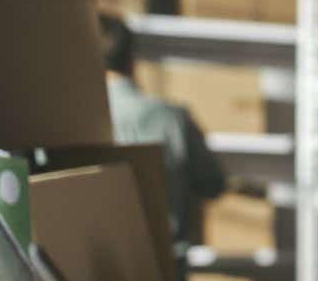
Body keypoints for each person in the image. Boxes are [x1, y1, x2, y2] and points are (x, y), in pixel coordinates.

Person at [97, 13, 227, 265]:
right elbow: (214, 184)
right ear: (131, 59)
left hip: (95, 268)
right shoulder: (173, 119)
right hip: (165, 265)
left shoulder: (76, 120)